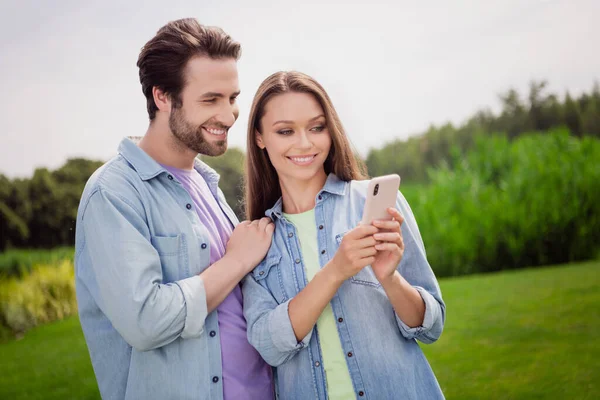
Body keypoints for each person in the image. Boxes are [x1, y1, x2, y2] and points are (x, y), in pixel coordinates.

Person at [75, 18, 274, 400]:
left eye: (232, 98)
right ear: (163, 96)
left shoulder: (206, 182)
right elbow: (145, 321)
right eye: (210, 99)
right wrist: (236, 261)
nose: (229, 115)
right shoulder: (113, 192)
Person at [242, 71, 446, 399]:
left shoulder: (375, 202)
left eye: (316, 127)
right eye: (285, 131)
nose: (305, 143)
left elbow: (432, 325)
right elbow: (269, 346)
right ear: (259, 138)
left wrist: (390, 279)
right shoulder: (257, 240)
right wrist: (336, 271)